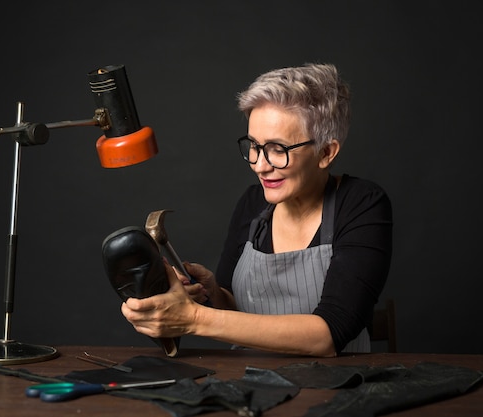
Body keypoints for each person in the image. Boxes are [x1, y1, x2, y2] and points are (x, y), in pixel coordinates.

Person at [121, 63, 392, 357]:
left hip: (338, 388)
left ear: (326, 152)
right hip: (250, 383)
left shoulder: (361, 204)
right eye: (254, 145)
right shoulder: (253, 204)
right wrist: (212, 292)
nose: (259, 165)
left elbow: (329, 334)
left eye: (278, 149)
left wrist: (194, 318)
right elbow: (235, 311)